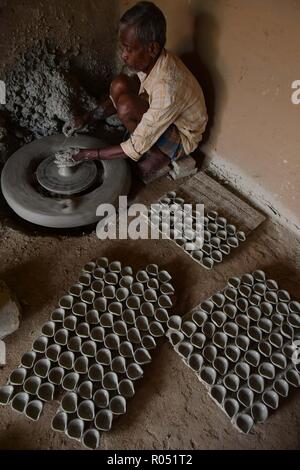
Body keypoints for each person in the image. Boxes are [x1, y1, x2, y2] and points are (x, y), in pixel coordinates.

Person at [63, 1, 208, 182]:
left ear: (152, 48)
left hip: (181, 136)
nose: (123, 54)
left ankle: (158, 155)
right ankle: (148, 143)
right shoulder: (152, 60)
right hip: (161, 115)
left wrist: (86, 155)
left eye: (129, 49)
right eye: (123, 47)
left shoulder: (167, 88)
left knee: (126, 107)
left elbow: (134, 145)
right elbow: (122, 95)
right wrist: (87, 118)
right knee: (119, 84)